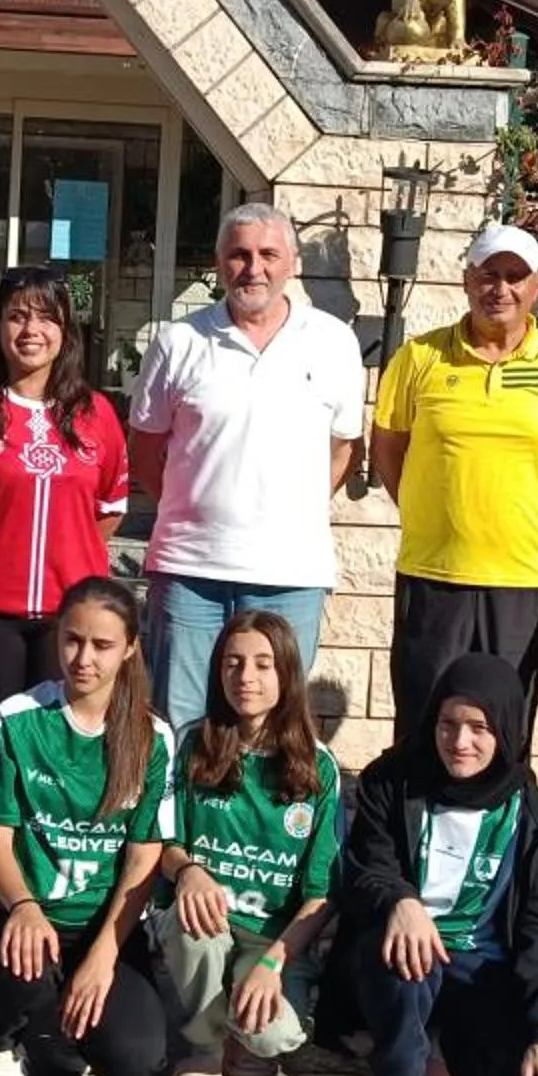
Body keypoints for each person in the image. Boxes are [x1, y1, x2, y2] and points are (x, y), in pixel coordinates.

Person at [129, 202, 367, 724]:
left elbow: (344, 447)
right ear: (220, 263)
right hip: (190, 570)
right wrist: (192, 505)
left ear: (292, 263)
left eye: (267, 254)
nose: (253, 268)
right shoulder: (178, 342)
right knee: (182, 722)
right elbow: (145, 448)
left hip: (290, 575)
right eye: (239, 255)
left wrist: (290, 507)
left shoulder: (332, 342)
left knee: (273, 727)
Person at [331, 652, 538, 1076]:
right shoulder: (394, 779)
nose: (459, 742)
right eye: (448, 724)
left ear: (506, 729)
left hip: (478, 964)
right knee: (411, 955)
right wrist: (401, 900)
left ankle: (436, 1049)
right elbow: (363, 867)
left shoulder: (535, 813)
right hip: (398, 952)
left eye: (479, 728)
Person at [371, 223, 538, 719]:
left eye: (514, 277)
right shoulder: (418, 356)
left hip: (521, 577)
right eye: (487, 274)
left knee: (504, 722)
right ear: (466, 280)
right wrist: (434, 506)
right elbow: (389, 451)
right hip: (431, 573)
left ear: (537, 287)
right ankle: (417, 802)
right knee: (423, 719)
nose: (499, 289)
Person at [0, 576, 177, 1076]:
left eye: (102, 645)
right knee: (26, 970)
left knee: (134, 1057)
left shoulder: (152, 737)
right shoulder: (18, 718)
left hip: (96, 923)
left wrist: (105, 952)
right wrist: (25, 906)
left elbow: (144, 857)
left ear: (129, 649)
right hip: (12, 907)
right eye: (72, 640)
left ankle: (61, 1026)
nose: (83, 658)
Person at [0, 265, 132, 789]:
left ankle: (42, 858)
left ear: (66, 332)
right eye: (17, 316)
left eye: (46, 318)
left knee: (57, 746)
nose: (30, 331)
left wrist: (68, 552)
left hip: (69, 617)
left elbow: (109, 510)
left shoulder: (97, 414)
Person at [153, 610, 341, 1076]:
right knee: (198, 930)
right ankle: (203, 1051)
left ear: (286, 674)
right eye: (233, 663)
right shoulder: (194, 743)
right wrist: (188, 871)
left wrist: (275, 963)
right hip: (206, 918)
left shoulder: (318, 767)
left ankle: (235, 1015)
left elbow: (321, 893)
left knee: (275, 1035)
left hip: (271, 936)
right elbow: (164, 840)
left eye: (262, 664)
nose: (246, 678)